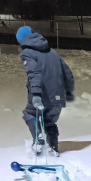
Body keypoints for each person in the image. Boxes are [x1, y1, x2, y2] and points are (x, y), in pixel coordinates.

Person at [16, 25, 75, 156]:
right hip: (58, 97)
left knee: (30, 114)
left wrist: (36, 94)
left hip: (41, 94)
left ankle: (38, 139)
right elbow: (68, 73)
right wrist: (69, 92)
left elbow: (34, 73)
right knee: (50, 122)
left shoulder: (27, 53)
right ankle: (53, 149)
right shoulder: (53, 52)